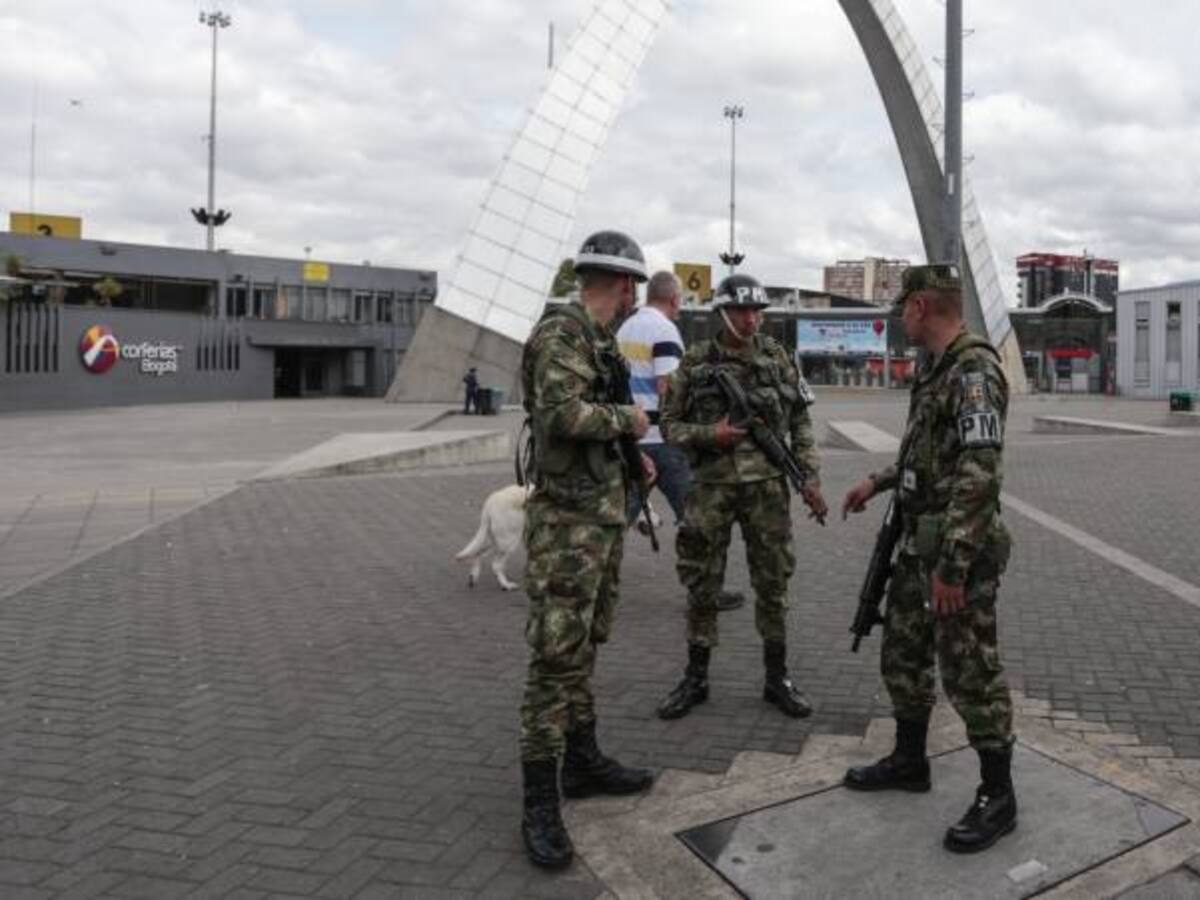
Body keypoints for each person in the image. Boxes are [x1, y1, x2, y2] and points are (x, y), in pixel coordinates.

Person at [840, 263, 1017, 854]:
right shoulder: (935, 369)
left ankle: (999, 795)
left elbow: (979, 472)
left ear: (920, 306)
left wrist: (953, 567)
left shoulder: (973, 370)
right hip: (919, 546)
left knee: (971, 669)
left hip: (954, 554)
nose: (899, 320)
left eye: (902, 309)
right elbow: (928, 454)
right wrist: (878, 480)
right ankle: (910, 761)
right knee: (904, 653)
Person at [517, 230, 656, 870]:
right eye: (633, 286)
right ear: (623, 284)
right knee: (556, 657)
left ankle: (583, 759)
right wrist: (630, 423)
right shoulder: (562, 335)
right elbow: (562, 416)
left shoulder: (599, 343)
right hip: (566, 528)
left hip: (597, 521)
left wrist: (635, 469)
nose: (632, 296)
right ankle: (540, 801)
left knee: (585, 646)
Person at [656, 273, 828, 721]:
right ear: (723, 313)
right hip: (710, 488)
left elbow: (802, 423)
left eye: (757, 312)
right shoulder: (695, 363)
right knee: (702, 582)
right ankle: (696, 677)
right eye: (742, 311)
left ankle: (777, 678)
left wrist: (808, 476)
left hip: (768, 489)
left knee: (773, 581)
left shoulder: (778, 358)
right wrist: (710, 434)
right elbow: (669, 427)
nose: (751, 319)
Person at [616, 270, 744, 610]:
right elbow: (669, 386)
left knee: (620, 515)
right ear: (674, 299)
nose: (680, 308)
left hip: (631, 438)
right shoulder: (664, 330)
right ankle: (704, 591)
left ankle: (590, 578)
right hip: (664, 439)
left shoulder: (625, 327)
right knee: (695, 516)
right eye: (680, 302)